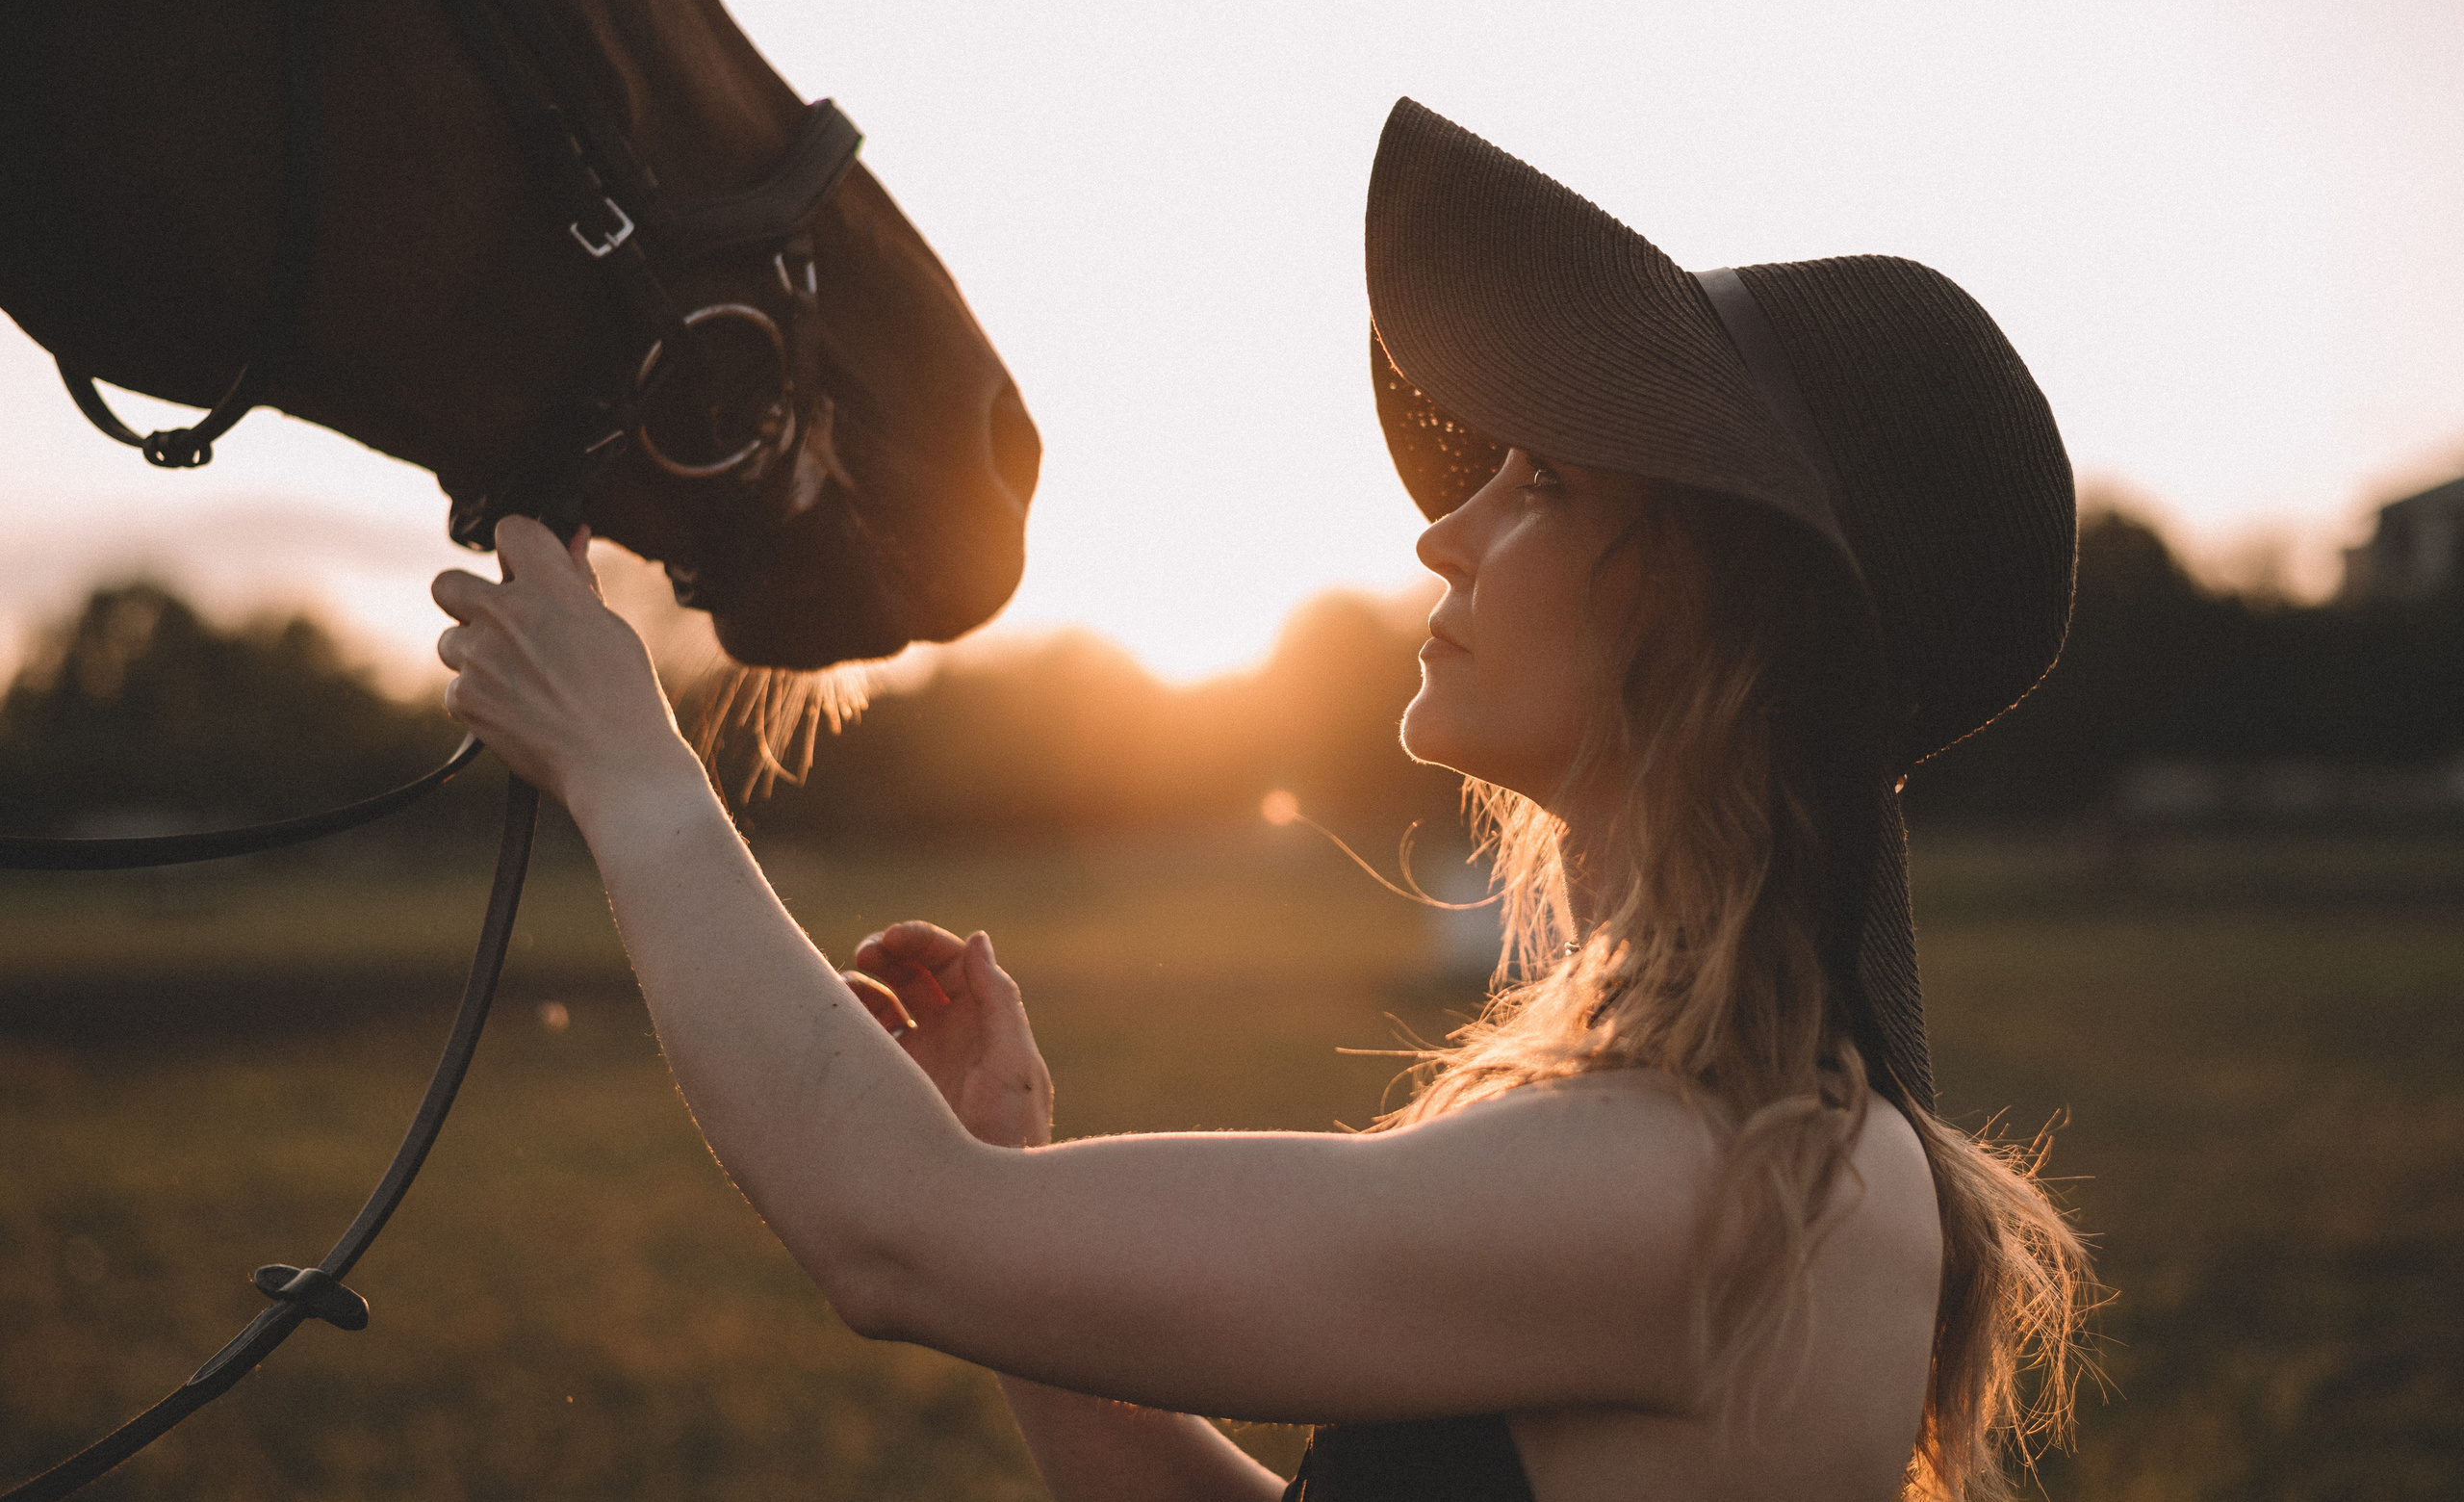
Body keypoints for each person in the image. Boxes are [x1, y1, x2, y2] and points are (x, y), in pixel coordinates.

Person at [433, 99, 2092, 1501]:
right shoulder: (1733, 1146)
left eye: (1548, 482)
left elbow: (897, 1239)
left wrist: (626, 760)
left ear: (1720, 610)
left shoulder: (1721, 1182)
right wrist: (1007, 1157)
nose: (1446, 532)